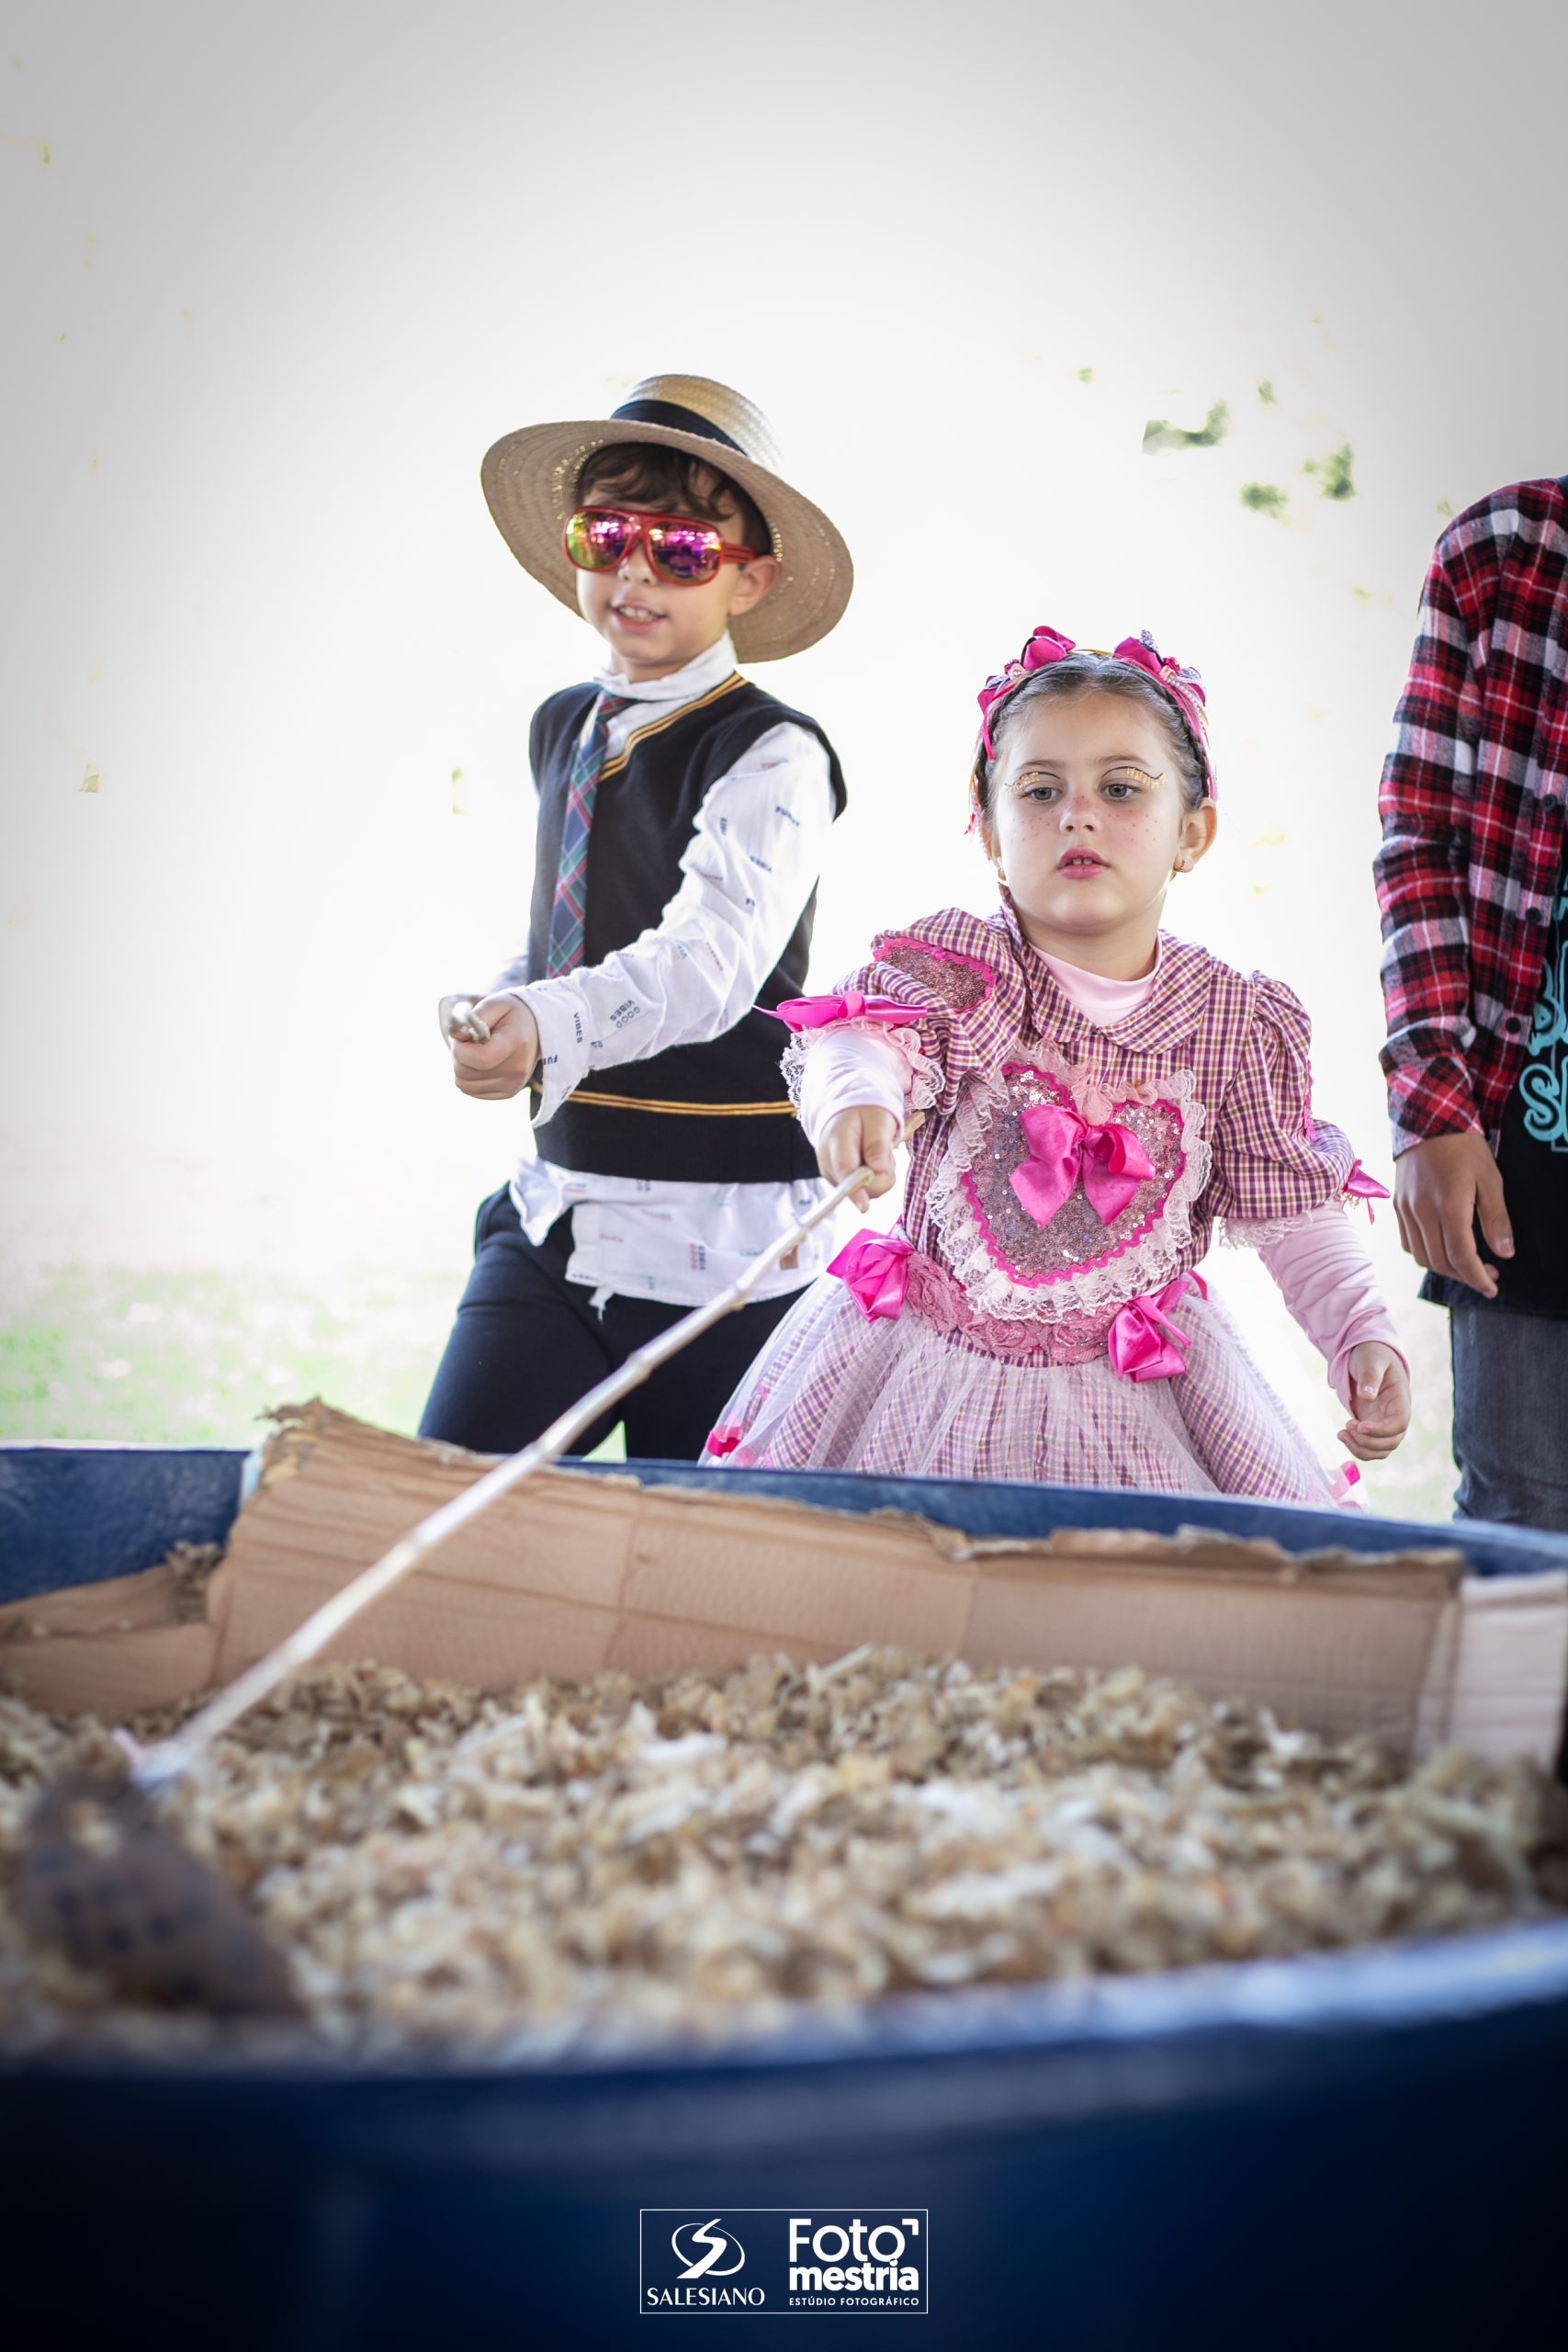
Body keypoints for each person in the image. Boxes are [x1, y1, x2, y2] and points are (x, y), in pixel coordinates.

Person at [702, 627, 1410, 1498]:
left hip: (1135, 1393)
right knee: (893, 1589)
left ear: (1192, 833)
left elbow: (1290, 1207)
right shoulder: (964, 973)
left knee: (1123, 1605)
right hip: (920, 1375)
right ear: (990, 832)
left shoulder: (1233, 1023)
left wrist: (1359, 1333)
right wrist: (858, 1097)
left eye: (1120, 788)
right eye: (1039, 791)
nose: (1077, 813)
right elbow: (870, 1033)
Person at [419, 374, 853, 1459]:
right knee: (447, 1506)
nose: (636, 570)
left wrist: (547, 1023)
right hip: (558, 1216)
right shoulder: (563, 723)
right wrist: (502, 999)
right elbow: (565, 921)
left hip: (727, 1249)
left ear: (749, 578)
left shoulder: (772, 750)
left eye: (685, 549)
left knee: (704, 1577)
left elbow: (708, 964)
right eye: (608, 534)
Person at [1375, 476, 1568, 1530]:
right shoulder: (1506, 552)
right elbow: (1421, 844)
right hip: (1525, 1173)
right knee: (1521, 1521)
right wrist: (1431, 1109)